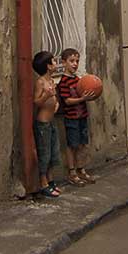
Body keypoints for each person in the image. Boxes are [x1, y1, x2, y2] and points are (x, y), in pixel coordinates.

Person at [57, 48, 96, 186]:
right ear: (63, 62)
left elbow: (84, 93)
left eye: (77, 61)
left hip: (82, 117)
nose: (75, 64)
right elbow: (67, 101)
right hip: (71, 118)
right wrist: (82, 98)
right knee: (72, 146)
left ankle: (81, 169)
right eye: (71, 61)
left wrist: (91, 94)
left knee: (82, 144)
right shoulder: (64, 82)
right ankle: (72, 172)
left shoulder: (79, 80)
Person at [32, 50, 61, 198]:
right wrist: (46, 95)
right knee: (45, 153)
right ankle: (43, 183)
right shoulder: (40, 82)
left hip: (52, 121)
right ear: (48, 66)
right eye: (54, 61)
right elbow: (36, 102)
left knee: (53, 153)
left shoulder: (51, 80)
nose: (56, 63)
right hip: (43, 123)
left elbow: (54, 98)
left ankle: (51, 180)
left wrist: (55, 104)